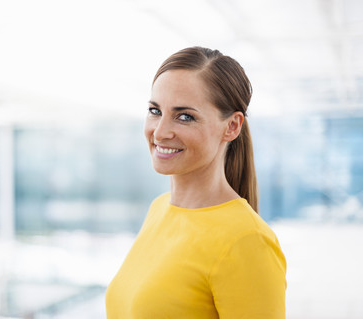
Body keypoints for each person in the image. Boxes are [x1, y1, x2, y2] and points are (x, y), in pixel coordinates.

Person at [105, 47, 287, 318]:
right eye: (155, 111)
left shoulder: (247, 241)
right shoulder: (159, 209)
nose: (160, 132)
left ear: (232, 126)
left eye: (185, 116)